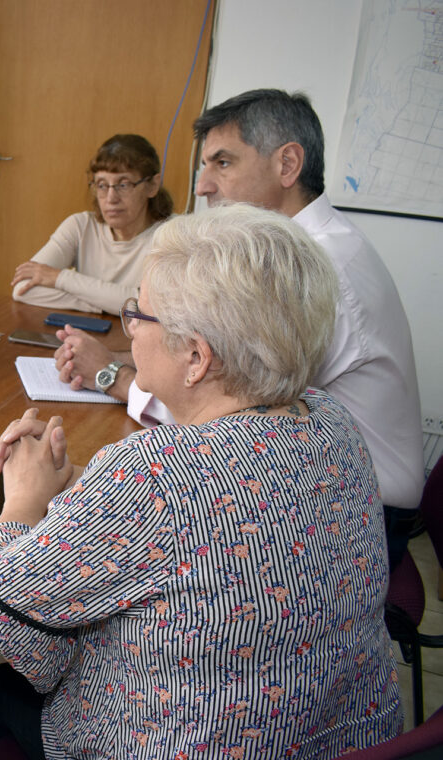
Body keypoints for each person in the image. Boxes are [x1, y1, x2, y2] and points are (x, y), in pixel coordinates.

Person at [0, 205, 401, 760]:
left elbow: (4, 597)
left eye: (138, 314)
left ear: (196, 357)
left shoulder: (153, 474)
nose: (129, 328)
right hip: (337, 736)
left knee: (2, 688)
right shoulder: (332, 419)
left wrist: (24, 501)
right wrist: (82, 488)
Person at [56, 90, 423, 565]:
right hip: (317, 480)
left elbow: (230, 409)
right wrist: (135, 349)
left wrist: (114, 376)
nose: (203, 186)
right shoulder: (307, 249)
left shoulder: (318, 269)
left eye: (223, 163)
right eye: (204, 166)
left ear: (287, 165)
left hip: (354, 508)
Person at [10, 133, 173, 315]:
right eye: (102, 185)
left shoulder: (173, 237)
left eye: (123, 184)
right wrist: (108, 305)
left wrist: (61, 278)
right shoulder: (80, 226)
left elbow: (148, 307)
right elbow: (22, 287)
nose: (111, 198)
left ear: (152, 186)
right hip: (84, 331)